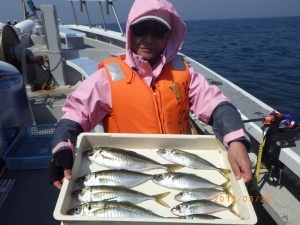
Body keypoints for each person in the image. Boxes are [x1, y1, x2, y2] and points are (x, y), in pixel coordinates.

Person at [49, 0, 252, 190]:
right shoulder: (107, 78)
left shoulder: (185, 74)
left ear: (168, 37)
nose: (149, 38)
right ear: (130, 32)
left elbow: (218, 105)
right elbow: (74, 115)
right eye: (141, 29)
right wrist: (62, 149)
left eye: (158, 31)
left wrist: (236, 140)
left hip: (178, 168)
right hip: (126, 172)